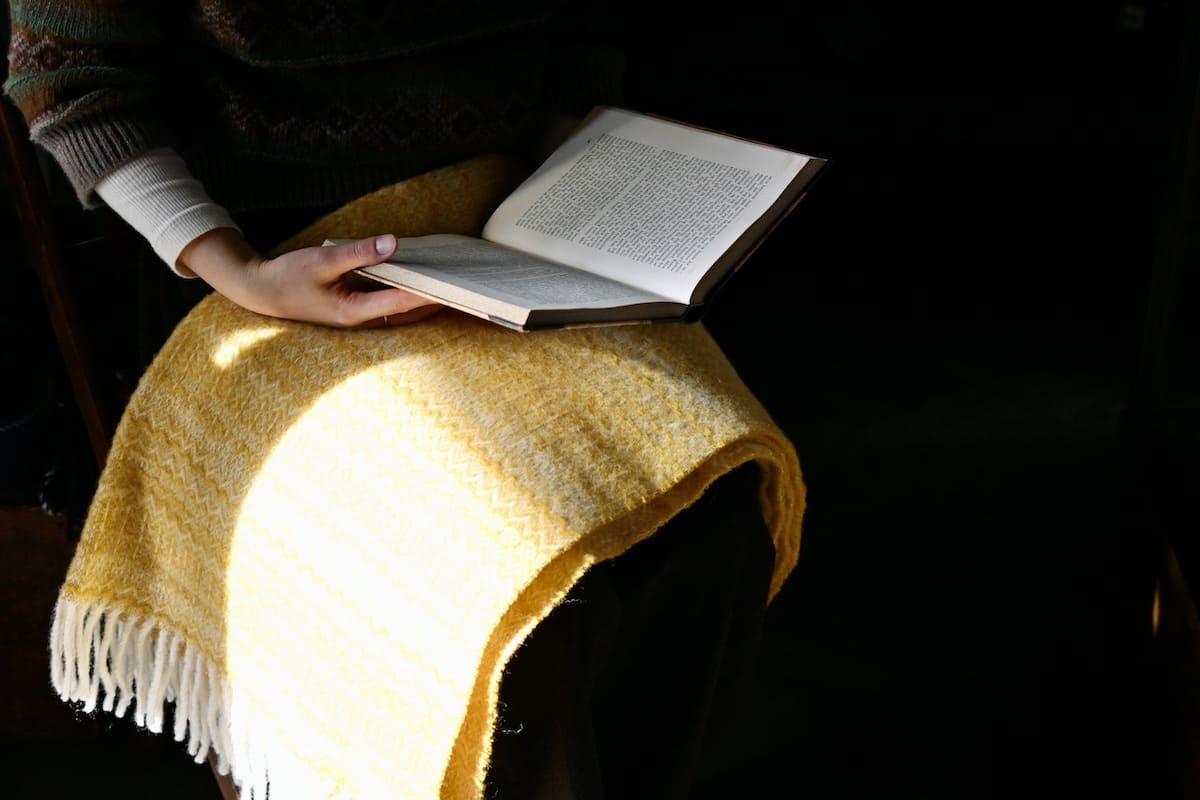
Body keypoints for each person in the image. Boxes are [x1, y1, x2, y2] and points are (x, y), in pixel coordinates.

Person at [5, 3, 781, 797]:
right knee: (523, 588)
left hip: (508, 225)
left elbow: (581, 35)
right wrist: (240, 271)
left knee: (718, 514)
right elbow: (68, 78)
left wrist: (581, 177)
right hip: (263, 260)